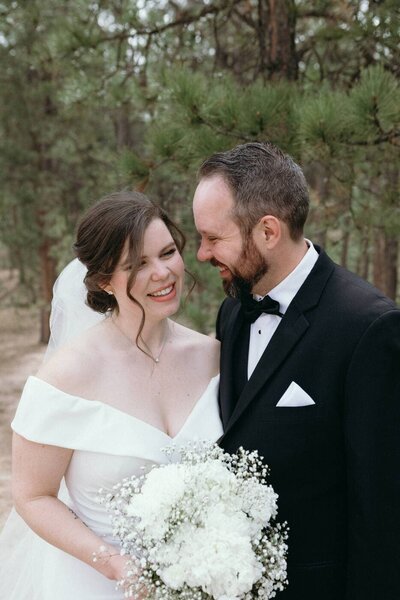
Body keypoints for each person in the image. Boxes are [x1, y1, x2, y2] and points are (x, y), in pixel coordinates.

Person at [192, 141, 400, 600]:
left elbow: (383, 512)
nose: (202, 255)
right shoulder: (233, 312)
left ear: (268, 231)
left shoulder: (368, 327)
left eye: (213, 238)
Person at [0, 191, 222, 600]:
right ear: (104, 280)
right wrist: (114, 564)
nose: (163, 272)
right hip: (99, 585)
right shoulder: (66, 376)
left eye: (168, 252)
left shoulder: (214, 358)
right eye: (137, 264)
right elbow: (32, 495)